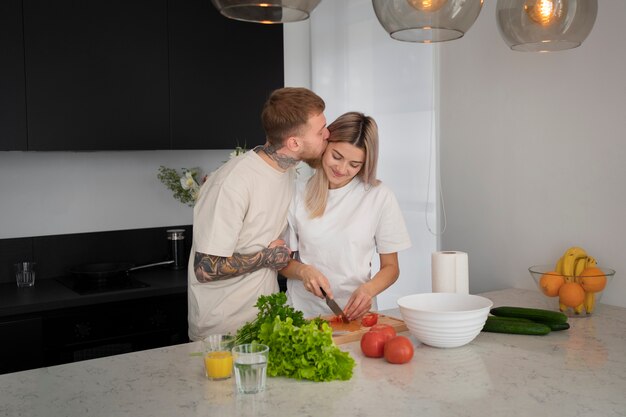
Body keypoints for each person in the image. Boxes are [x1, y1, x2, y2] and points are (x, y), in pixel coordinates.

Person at [187, 87, 330, 341]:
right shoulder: (232, 183)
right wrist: (266, 257)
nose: (327, 135)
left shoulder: (285, 171)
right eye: (321, 131)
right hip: (222, 331)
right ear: (294, 143)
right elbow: (205, 268)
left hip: (263, 322)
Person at [280, 111, 411, 321]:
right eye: (337, 156)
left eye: (354, 164)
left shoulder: (378, 195)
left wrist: (369, 290)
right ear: (325, 143)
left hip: (356, 316)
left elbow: (391, 267)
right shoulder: (297, 192)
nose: (341, 169)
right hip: (303, 314)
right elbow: (282, 262)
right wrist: (304, 271)